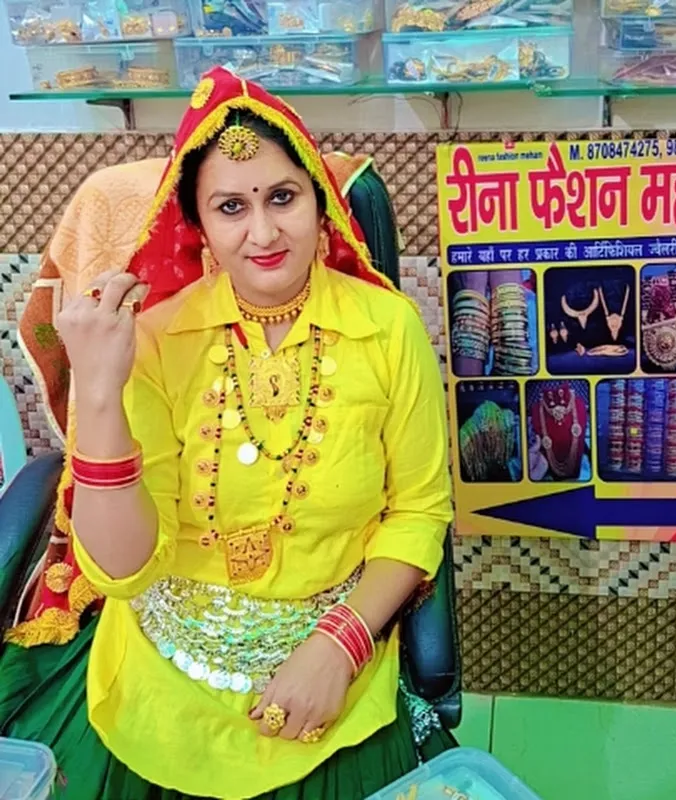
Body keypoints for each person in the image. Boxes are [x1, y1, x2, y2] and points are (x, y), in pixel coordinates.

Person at [0, 66, 454, 799]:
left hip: (331, 667)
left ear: (319, 201)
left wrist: (340, 645)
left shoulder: (387, 328)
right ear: (199, 226)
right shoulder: (158, 339)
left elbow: (419, 511)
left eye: (283, 197)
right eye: (231, 207)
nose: (263, 232)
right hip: (160, 677)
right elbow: (123, 572)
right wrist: (102, 390)